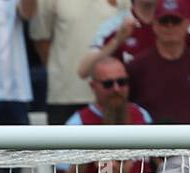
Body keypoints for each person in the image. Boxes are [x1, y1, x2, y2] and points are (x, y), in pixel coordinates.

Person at [126, 0, 190, 127]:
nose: (170, 26)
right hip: (151, 141)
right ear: (154, 24)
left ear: (187, 24)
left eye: (176, 21)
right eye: (164, 21)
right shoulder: (136, 67)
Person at [30, 0, 122, 128]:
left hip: (111, 93)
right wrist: (62, 72)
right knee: (62, 147)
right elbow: (41, 38)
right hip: (64, 96)